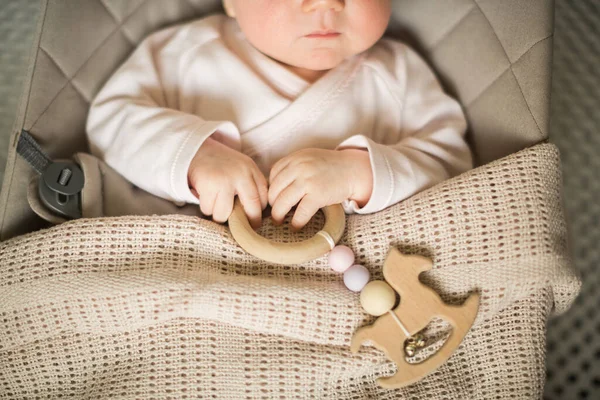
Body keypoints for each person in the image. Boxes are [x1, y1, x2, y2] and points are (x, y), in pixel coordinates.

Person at [86, 0, 472, 231]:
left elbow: (451, 165)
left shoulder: (399, 73)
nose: (325, 3)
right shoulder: (187, 53)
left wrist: (360, 174)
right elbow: (111, 121)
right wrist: (193, 157)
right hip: (191, 267)